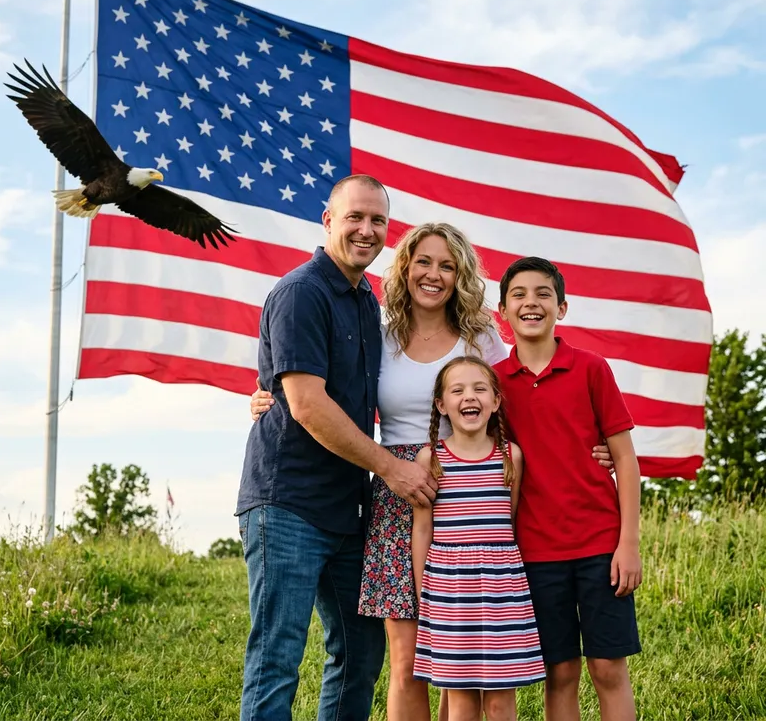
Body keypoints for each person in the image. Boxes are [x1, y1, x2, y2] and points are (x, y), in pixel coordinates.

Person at [249, 227, 616, 720]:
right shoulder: (380, 333)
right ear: (406, 269)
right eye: (424, 262)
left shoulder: (480, 336)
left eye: (447, 266)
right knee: (408, 664)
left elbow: (514, 401)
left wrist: (585, 447)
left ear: (461, 274)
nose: (434, 275)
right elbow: (325, 382)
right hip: (397, 490)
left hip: (469, 492)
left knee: (460, 664)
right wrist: (267, 399)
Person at [235, 174, 438, 721]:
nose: (367, 230)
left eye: (378, 221)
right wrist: (390, 468)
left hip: (349, 509)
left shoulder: (365, 301)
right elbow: (307, 404)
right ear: (328, 220)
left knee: (359, 653)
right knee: (277, 657)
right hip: (287, 504)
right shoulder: (302, 291)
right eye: (355, 217)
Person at [494, 256, 643, 721]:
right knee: (560, 674)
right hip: (536, 552)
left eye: (543, 294)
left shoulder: (591, 368)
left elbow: (625, 459)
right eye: (518, 294)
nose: (531, 303)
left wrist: (629, 544)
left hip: (600, 546)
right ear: (502, 310)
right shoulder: (495, 383)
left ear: (562, 307)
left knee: (607, 669)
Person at [412, 355, 546, 721]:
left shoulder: (510, 456)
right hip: (450, 594)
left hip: (502, 594)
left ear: (496, 401)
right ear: (442, 405)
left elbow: (512, 522)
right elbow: (423, 529)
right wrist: (426, 592)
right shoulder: (431, 459)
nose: (469, 397)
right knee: (462, 701)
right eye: (457, 390)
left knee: (502, 701)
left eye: (479, 389)